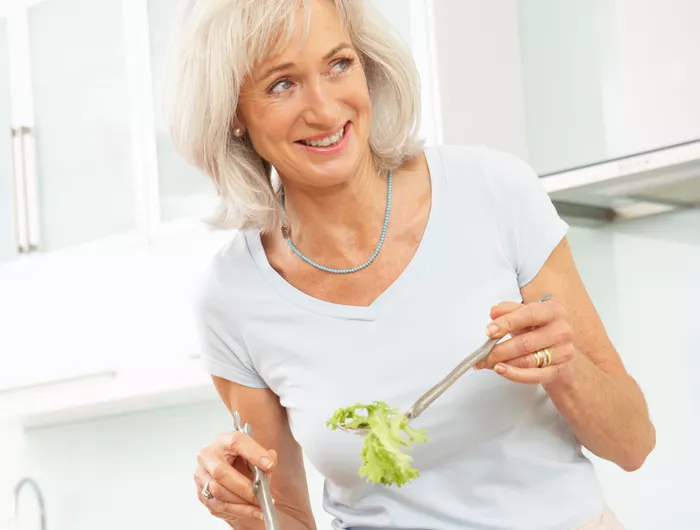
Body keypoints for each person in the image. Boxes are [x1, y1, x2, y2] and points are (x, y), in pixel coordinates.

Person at [166, 0, 655, 528]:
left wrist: (565, 369)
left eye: (338, 64)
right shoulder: (232, 297)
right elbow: (286, 512)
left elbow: (633, 444)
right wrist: (246, 509)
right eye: (282, 84)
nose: (327, 110)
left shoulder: (492, 191)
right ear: (233, 114)